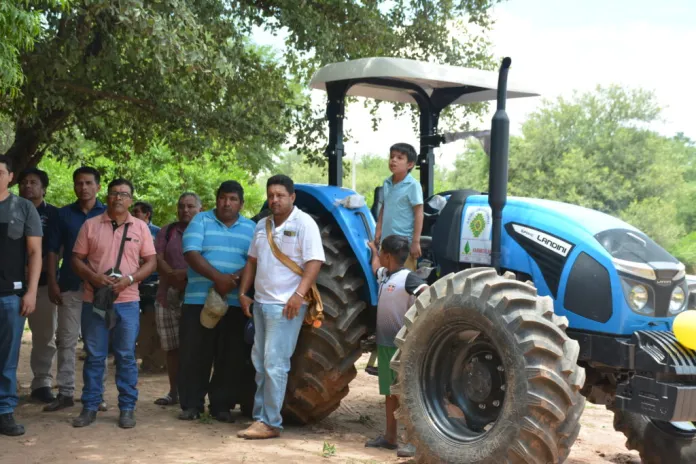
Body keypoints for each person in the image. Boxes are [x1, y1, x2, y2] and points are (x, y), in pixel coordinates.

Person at [237, 174, 325, 440]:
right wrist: (243, 293)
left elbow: (314, 262)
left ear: (292, 197)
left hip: (286, 305)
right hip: (261, 303)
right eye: (271, 195)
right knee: (261, 363)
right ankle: (260, 417)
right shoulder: (261, 225)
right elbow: (252, 261)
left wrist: (298, 295)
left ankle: (271, 422)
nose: (274, 200)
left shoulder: (304, 223)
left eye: (280, 195)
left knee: (275, 364)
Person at [70, 178, 156, 428]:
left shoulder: (141, 227)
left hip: (128, 301)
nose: (118, 197)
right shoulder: (91, 225)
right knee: (95, 356)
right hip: (95, 300)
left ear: (131, 199)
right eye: (114, 193)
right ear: (107, 197)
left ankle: (127, 408)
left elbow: (151, 262)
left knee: (126, 356)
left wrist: (129, 279)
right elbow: (76, 259)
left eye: (124, 194)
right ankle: (90, 407)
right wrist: (94, 278)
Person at [178, 181, 254, 422]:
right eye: (223, 198)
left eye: (233, 199)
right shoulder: (200, 221)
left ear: (241, 204)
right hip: (198, 301)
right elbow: (191, 253)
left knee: (230, 356)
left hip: (235, 303)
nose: (227, 203)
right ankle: (192, 405)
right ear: (216, 199)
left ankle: (221, 406)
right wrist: (218, 278)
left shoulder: (252, 228)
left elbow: (254, 261)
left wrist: (233, 280)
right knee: (195, 354)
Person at [45, 166, 107, 413]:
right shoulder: (62, 215)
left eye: (89, 183)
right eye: (79, 183)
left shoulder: (108, 213)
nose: (84, 187)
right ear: (74, 186)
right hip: (70, 284)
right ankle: (66, 392)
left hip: (100, 288)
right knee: (66, 340)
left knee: (96, 343)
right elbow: (52, 251)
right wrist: (52, 281)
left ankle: (96, 394)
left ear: (98, 186)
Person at [364, 235, 427, 458]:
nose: (380, 256)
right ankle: (390, 437)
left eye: (381, 252)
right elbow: (375, 268)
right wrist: (373, 251)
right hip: (384, 344)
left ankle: (413, 442)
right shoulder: (385, 275)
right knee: (389, 393)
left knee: (405, 395)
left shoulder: (409, 278)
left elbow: (427, 295)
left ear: (388, 256)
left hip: (401, 347)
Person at [0, 155, 43, 436]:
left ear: (10, 176)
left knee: (7, 358)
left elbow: (35, 252)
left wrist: (31, 292)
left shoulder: (24, 208)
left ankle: (4, 411)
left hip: (10, 296)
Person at [152, 192, 202, 406]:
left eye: (190, 206)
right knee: (172, 348)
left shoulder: (205, 230)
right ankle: (174, 392)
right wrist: (173, 275)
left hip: (196, 297)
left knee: (194, 348)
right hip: (166, 296)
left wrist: (186, 274)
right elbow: (156, 258)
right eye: (181, 206)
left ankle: (194, 394)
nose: (185, 210)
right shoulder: (167, 231)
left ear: (200, 209)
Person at [18, 168, 59, 404]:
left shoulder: (54, 214)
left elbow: (58, 248)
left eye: (33, 182)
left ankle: (42, 383)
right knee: (7, 336)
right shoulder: (10, 209)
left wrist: (40, 270)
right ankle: (6, 384)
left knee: (45, 335)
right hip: (11, 285)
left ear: (44, 188)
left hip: (44, 284)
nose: (27, 186)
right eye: (23, 182)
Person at [374, 143, 424, 271]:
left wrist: (416, 242)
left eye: (399, 158)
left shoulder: (413, 185)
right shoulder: (387, 183)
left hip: (404, 244)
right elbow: (384, 207)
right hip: (386, 242)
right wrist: (378, 229)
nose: (393, 160)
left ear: (410, 164)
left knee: (403, 279)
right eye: (392, 157)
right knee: (384, 277)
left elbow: (419, 213)